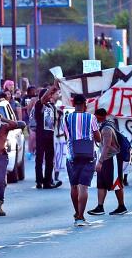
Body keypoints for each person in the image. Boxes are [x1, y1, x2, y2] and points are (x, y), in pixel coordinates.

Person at [62, 94, 101, 225]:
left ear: (73, 104)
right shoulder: (91, 118)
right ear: (85, 105)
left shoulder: (67, 118)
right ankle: (80, 216)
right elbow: (98, 138)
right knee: (83, 187)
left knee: (74, 186)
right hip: (89, 155)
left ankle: (76, 213)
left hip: (71, 156)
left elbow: (67, 136)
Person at [88, 108, 127, 217]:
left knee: (116, 183)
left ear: (101, 117)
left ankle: (121, 206)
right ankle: (100, 207)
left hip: (112, 158)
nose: (94, 119)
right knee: (101, 183)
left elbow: (107, 146)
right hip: (106, 158)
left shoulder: (106, 129)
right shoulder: (104, 126)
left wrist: (100, 161)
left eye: (95, 117)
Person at [34, 82, 61, 189]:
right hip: (41, 135)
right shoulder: (38, 105)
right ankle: (39, 181)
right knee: (39, 159)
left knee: (50, 159)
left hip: (50, 136)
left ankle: (47, 181)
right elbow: (44, 98)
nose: (49, 96)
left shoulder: (52, 106)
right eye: (47, 95)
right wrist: (53, 87)